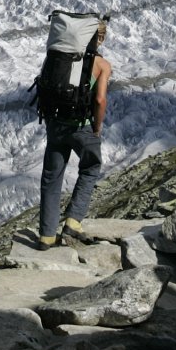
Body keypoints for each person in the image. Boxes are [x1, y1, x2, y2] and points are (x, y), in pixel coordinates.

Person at [38, 17, 113, 247]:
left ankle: (46, 237)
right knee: (90, 168)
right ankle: (73, 221)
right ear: (98, 39)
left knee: (52, 177)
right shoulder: (102, 65)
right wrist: (97, 127)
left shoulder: (57, 59)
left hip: (56, 124)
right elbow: (100, 99)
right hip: (82, 126)